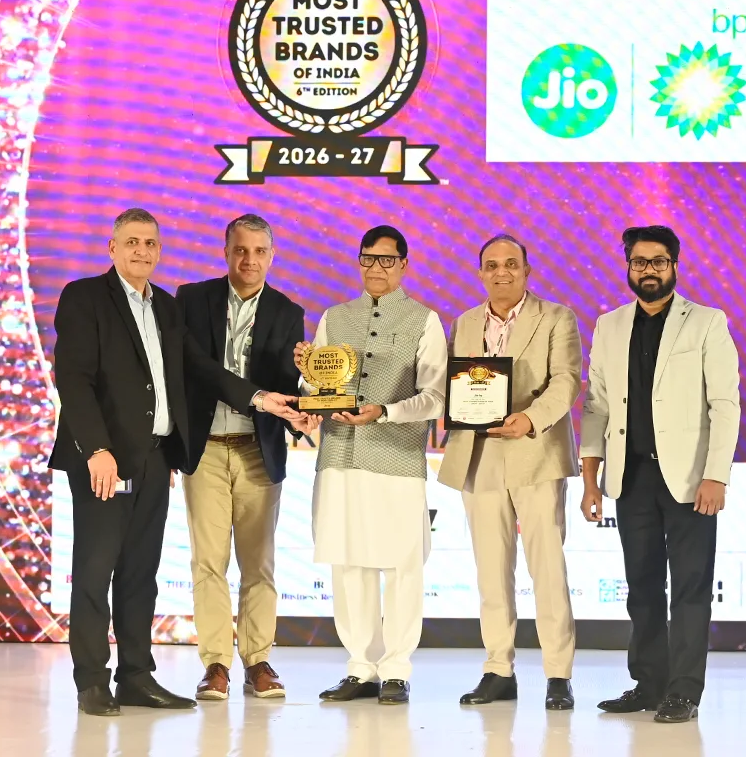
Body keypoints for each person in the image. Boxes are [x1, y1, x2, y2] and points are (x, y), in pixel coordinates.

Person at [48, 207, 304, 717]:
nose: (142, 251)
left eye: (151, 243)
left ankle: (136, 677)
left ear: (160, 251)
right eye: (132, 242)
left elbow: (202, 368)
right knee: (95, 572)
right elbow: (72, 379)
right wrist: (96, 449)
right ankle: (91, 682)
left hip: (154, 458)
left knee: (141, 574)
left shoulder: (166, 306)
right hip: (104, 461)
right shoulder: (84, 296)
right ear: (113, 248)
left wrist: (260, 399)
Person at [579, 225, 740, 723]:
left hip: (690, 479)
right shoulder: (609, 325)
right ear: (628, 267)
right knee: (642, 586)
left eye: (658, 261)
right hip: (630, 478)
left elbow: (725, 404)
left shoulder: (707, 322)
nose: (648, 270)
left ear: (674, 265)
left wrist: (716, 476)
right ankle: (648, 684)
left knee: (691, 587)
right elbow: (596, 406)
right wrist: (590, 480)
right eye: (639, 262)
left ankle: (684, 691)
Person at [294, 225, 447, 706]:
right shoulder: (334, 318)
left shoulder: (424, 321)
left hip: (397, 457)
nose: (376, 268)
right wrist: (306, 379)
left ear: (404, 265)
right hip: (340, 455)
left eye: (387, 260)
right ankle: (361, 667)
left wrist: (385, 411)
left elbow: (436, 397)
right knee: (348, 562)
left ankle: (396, 669)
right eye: (368, 258)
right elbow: (319, 391)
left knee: (403, 564)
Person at [436, 234, 581, 710]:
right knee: (491, 570)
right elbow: (454, 382)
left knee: (547, 568)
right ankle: (498, 669)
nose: (502, 272)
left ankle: (558, 674)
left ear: (526, 271)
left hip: (535, 452)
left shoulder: (557, 317)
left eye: (511, 264)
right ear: (481, 272)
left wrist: (531, 419)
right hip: (478, 456)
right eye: (492, 265)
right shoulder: (465, 322)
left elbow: (566, 380)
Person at [176, 213, 309, 701]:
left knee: (259, 565)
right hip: (206, 448)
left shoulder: (288, 311)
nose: (249, 259)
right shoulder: (192, 300)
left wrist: (306, 406)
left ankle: (258, 662)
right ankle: (216, 663)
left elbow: (288, 384)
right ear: (226, 252)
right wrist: (258, 397)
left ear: (272, 256)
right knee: (208, 563)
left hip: (259, 449)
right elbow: (195, 366)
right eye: (240, 250)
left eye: (259, 251)